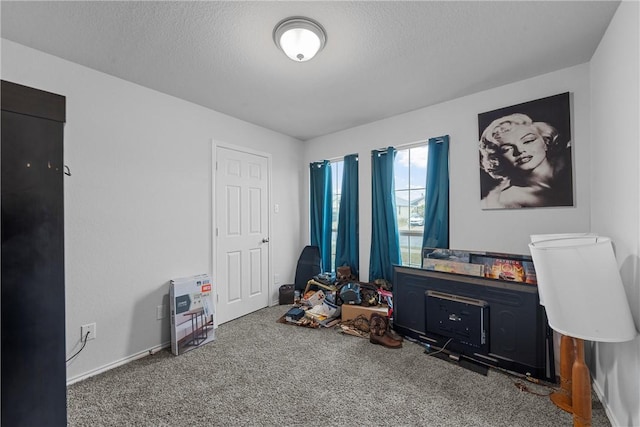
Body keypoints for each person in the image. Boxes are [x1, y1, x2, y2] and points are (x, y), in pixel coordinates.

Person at [478, 113, 573, 208]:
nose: (520, 150)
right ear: (497, 159)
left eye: (528, 141)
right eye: (507, 149)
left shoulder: (572, 160)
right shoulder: (504, 201)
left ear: (545, 141)